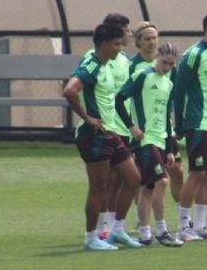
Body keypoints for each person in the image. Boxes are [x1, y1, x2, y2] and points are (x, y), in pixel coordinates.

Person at [63, 24, 144, 251]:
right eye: (116, 44)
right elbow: (69, 90)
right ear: (104, 44)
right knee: (99, 187)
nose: (119, 48)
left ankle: (117, 229)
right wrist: (87, 118)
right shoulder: (92, 65)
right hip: (94, 134)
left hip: (111, 132)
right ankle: (91, 237)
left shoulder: (107, 65)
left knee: (133, 178)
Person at [116, 40, 182, 247]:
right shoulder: (142, 76)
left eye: (172, 64)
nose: (168, 68)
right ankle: (162, 230)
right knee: (162, 181)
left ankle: (145, 233)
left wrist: (170, 148)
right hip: (145, 140)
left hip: (161, 139)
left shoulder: (169, 83)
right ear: (157, 57)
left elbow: (166, 115)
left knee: (148, 186)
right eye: (165, 63)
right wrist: (131, 127)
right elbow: (119, 99)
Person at [172, 12, 207, 241]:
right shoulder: (193, 55)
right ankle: (183, 227)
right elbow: (179, 91)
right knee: (196, 173)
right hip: (197, 123)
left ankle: (201, 225)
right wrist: (179, 124)